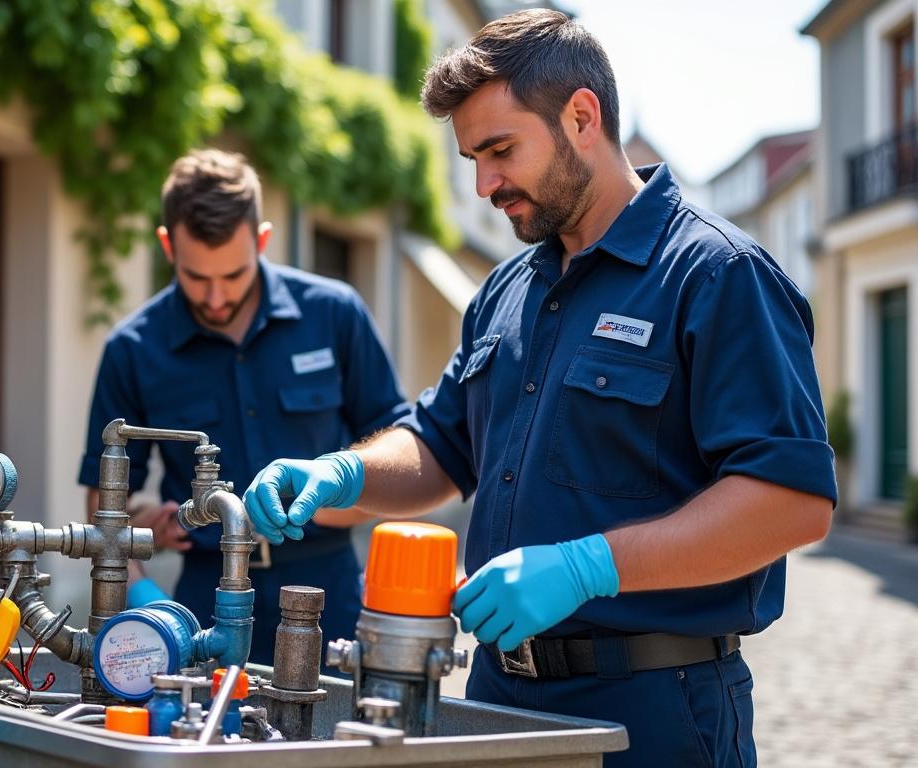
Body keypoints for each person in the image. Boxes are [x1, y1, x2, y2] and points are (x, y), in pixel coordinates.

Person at [243, 10, 834, 766]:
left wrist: (589, 567)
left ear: (582, 117)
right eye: (472, 159)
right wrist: (342, 473)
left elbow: (792, 502)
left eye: (500, 150)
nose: (485, 183)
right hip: (496, 699)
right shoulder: (507, 289)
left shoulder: (717, 275)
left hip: (653, 711)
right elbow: (440, 443)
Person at [78, 149, 410, 666]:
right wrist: (144, 582)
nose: (214, 297)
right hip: (198, 603)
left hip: (328, 593)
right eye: (195, 277)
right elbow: (104, 509)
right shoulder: (133, 349)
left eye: (232, 276)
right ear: (168, 246)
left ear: (262, 241)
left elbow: (400, 459)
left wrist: (327, 502)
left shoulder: (334, 314)